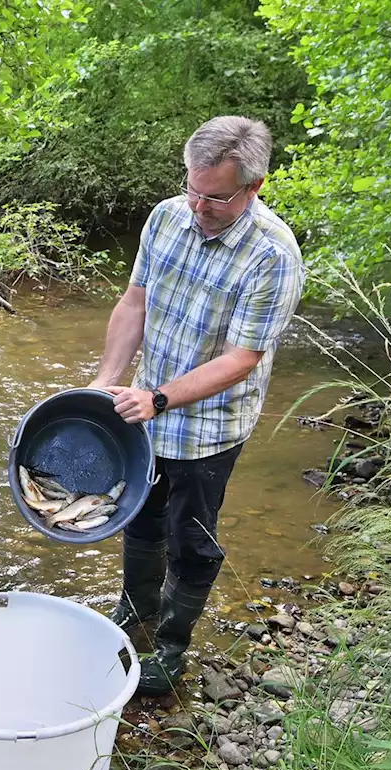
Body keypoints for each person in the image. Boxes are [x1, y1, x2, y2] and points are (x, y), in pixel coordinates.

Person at [88, 115, 304, 697]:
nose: (198, 204)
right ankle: (135, 611)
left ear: (253, 187)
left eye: (215, 196)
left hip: (211, 425)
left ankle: (174, 644)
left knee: (190, 536)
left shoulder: (274, 256)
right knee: (139, 513)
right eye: (192, 187)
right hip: (141, 406)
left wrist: (159, 398)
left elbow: (241, 359)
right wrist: (106, 382)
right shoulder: (165, 217)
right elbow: (134, 303)